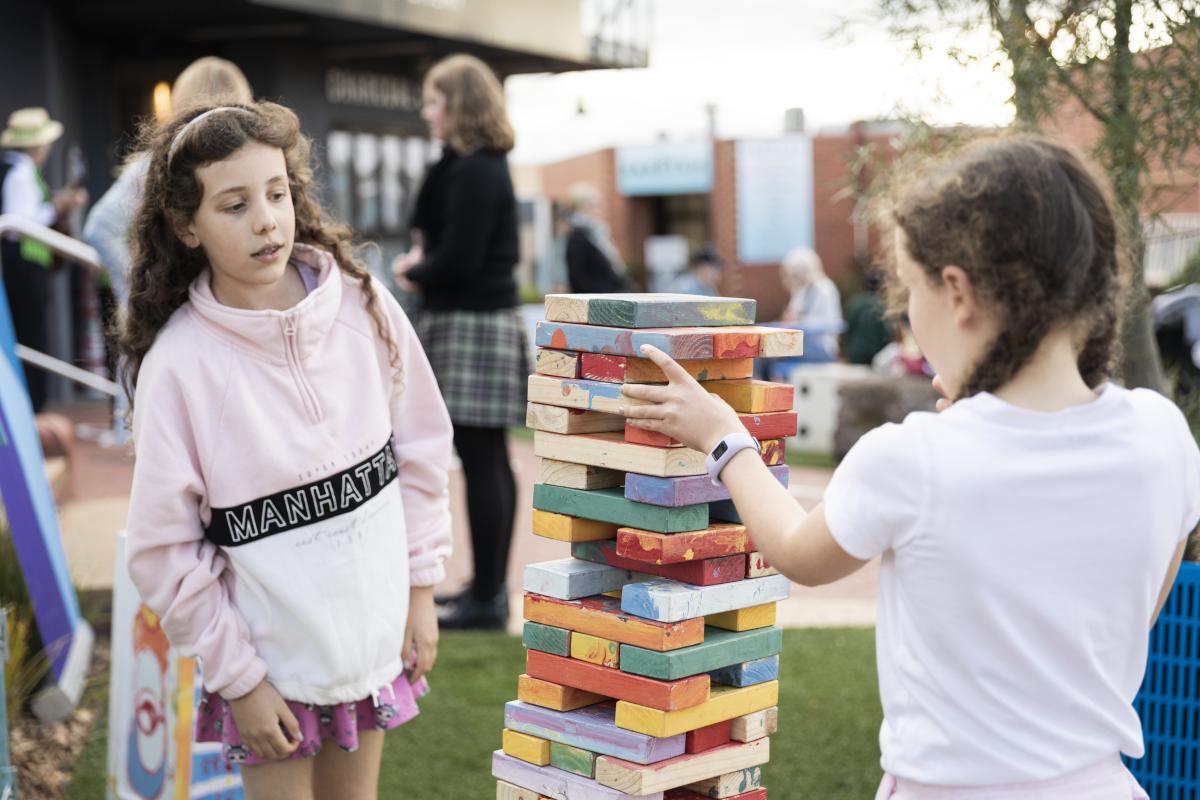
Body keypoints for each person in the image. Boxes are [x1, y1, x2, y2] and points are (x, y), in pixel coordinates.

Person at [618, 135, 1199, 799]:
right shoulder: (1164, 436)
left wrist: (725, 439)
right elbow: (1134, 607)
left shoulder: (914, 460)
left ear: (957, 292)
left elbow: (798, 554)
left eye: (909, 293)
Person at [121, 101, 453, 800]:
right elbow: (163, 549)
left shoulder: (364, 305)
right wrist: (239, 678)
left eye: (276, 194)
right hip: (268, 672)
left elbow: (421, 449)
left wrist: (421, 590)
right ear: (186, 227)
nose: (266, 220)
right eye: (234, 205)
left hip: (372, 646)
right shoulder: (179, 367)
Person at [391, 54, 527, 630]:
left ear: (460, 104)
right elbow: (432, 222)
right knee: (482, 456)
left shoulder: (478, 171)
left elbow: (459, 258)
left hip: (474, 323)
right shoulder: (469, 165)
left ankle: (490, 597)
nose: (427, 112)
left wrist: (414, 271)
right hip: (471, 322)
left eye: (434, 101)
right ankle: (485, 589)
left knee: (483, 457)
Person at [84, 56, 253, 439]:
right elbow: (100, 225)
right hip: (178, 315)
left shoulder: (250, 157)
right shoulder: (158, 164)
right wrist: (140, 284)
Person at [0, 106, 89, 411]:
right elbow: (18, 223)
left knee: (33, 334)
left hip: (26, 263)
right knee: (29, 334)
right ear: (36, 144)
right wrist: (58, 206)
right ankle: (31, 406)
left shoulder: (23, 173)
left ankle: (34, 403)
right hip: (21, 264)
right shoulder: (20, 175)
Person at [779, 245, 842, 361]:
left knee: (777, 356)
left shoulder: (824, 288)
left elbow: (829, 323)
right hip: (801, 344)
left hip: (821, 346)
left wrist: (798, 323)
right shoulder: (801, 290)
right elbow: (791, 317)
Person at [564, 182, 629, 293]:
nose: (601, 209)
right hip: (598, 304)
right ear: (584, 206)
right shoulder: (578, 236)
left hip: (610, 299)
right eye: (597, 204)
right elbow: (579, 279)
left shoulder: (597, 233)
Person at [843, 270, 894, 365]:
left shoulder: (855, 302)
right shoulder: (882, 305)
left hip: (855, 353)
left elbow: (847, 328)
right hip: (876, 353)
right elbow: (887, 331)